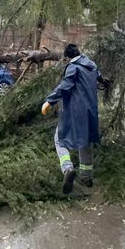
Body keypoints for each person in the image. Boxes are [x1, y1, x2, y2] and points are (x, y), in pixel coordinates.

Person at [41, 44, 101, 194]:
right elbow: (100, 78)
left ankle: (67, 169)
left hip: (74, 111)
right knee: (85, 141)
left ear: (67, 58)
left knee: (59, 138)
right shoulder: (92, 66)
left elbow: (65, 86)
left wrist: (49, 101)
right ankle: (86, 176)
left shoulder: (73, 67)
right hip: (90, 112)